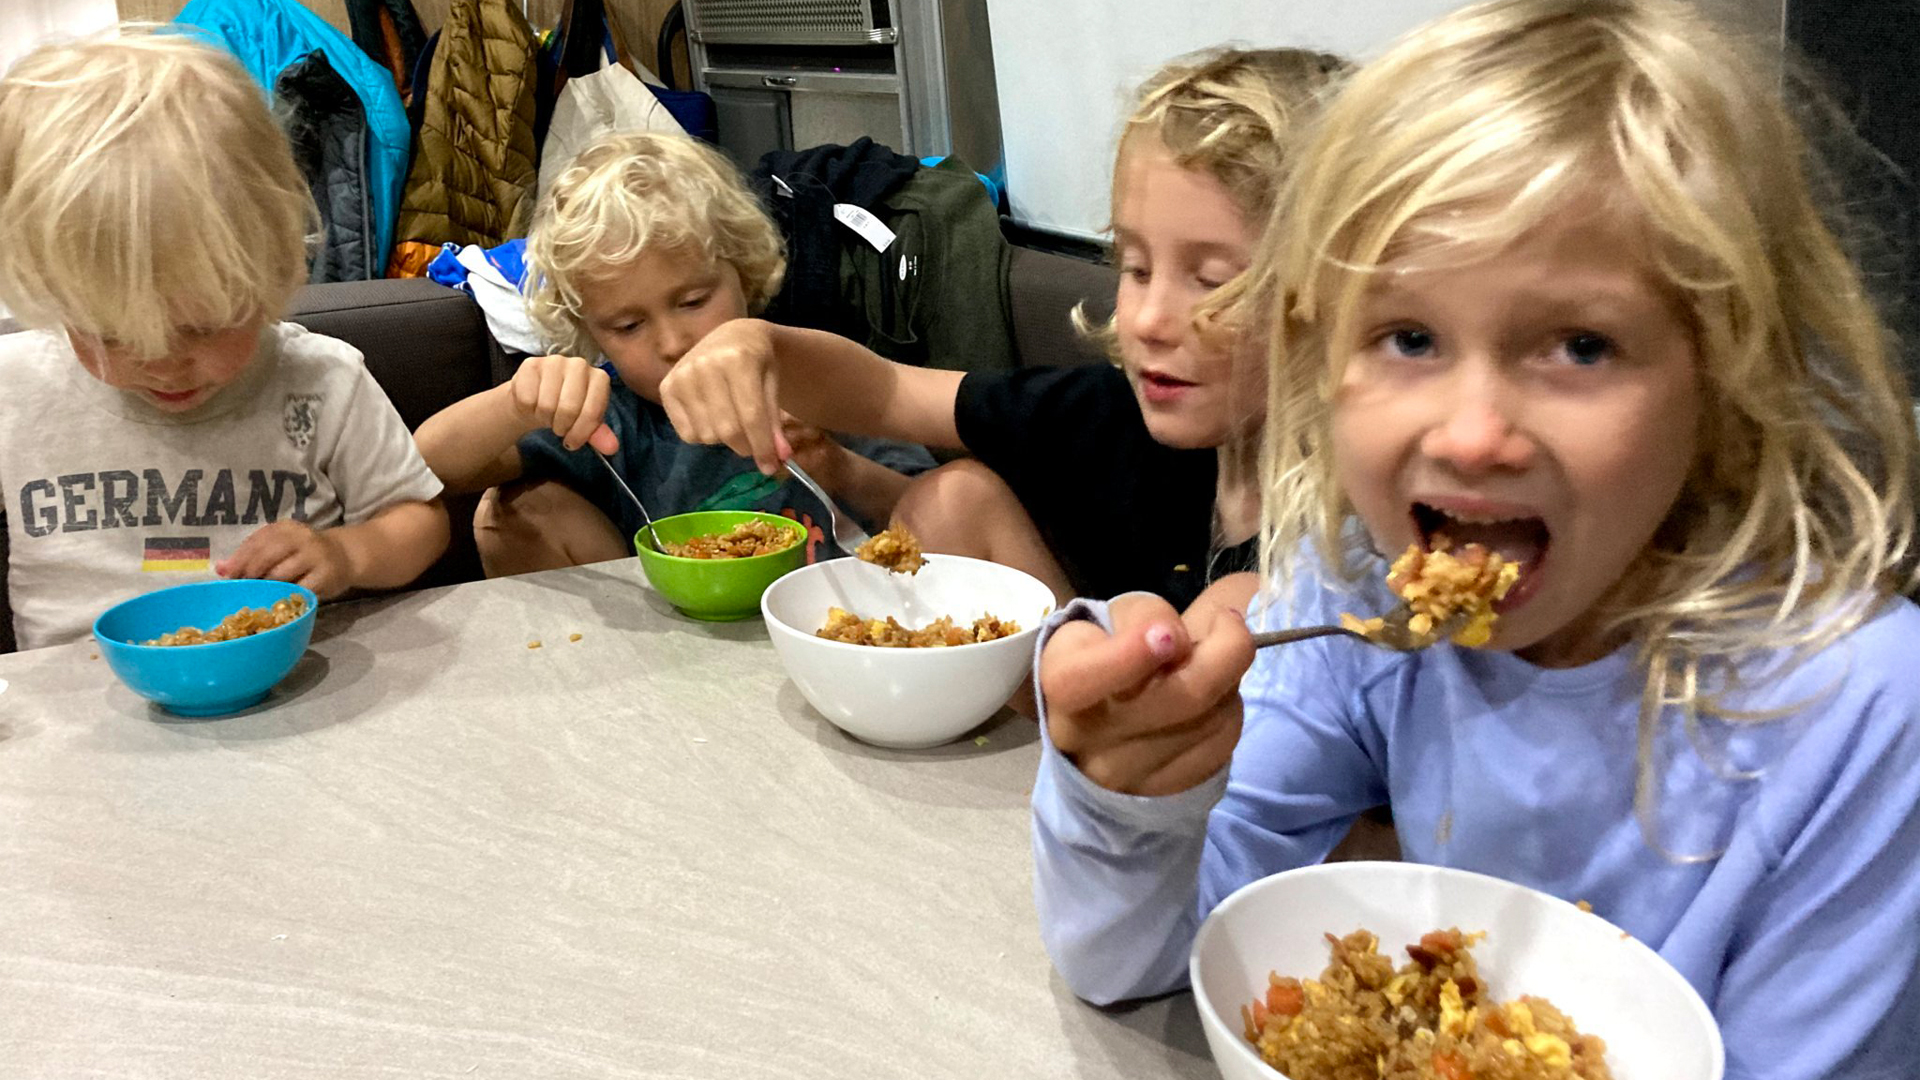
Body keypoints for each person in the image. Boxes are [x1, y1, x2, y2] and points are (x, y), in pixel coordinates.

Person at [1029, 2, 1920, 1076]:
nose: (1471, 436)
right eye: (1409, 336)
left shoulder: (1856, 711)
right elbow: (1160, 958)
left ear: (1726, 379)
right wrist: (1130, 803)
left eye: (1581, 345)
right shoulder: (1351, 592)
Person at [658, 48, 1346, 608]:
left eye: (1214, 280)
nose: (1149, 319)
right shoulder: (1116, 413)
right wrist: (756, 344)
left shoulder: (1367, 538)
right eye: (1136, 268)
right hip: (1087, 753)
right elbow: (889, 393)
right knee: (949, 496)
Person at [0, 31, 449, 651]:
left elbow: (420, 521)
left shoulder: (323, 381)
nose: (164, 363)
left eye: (202, 324)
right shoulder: (13, 388)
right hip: (72, 712)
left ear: (270, 269)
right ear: (50, 294)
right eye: (111, 334)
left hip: (290, 686)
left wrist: (347, 554)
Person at [412, 133, 934, 575]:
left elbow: (933, 513)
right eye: (628, 325)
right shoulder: (610, 418)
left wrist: (835, 466)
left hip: (837, 634)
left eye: (693, 301)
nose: (672, 343)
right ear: (592, 331)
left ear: (744, 273)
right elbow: (425, 469)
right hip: (667, 659)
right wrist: (515, 404)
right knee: (511, 507)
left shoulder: (811, 374)